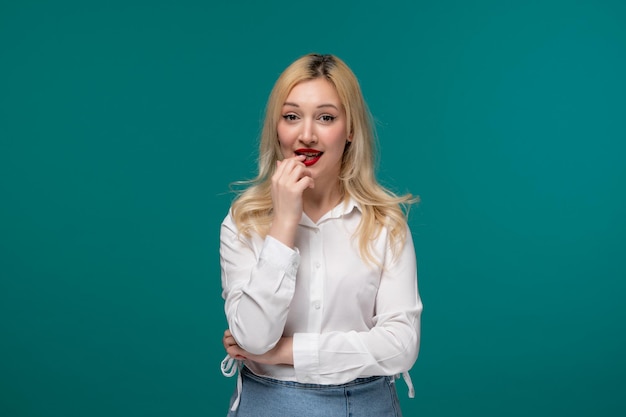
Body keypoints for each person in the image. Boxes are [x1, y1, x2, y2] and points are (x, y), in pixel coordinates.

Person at [219, 53, 422, 417]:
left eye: (326, 117)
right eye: (291, 116)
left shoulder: (385, 224)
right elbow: (252, 338)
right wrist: (283, 223)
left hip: (366, 407)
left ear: (350, 130)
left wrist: (284, 352)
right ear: (276, 127)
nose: (306, 134)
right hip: (267, 405)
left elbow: (401, 346)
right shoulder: (243, 222)